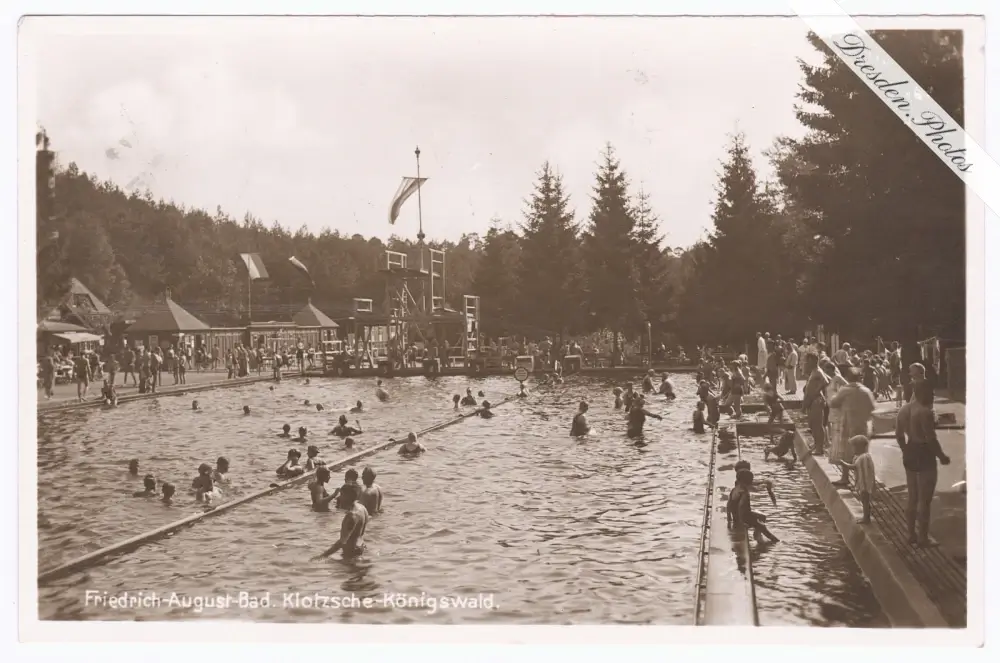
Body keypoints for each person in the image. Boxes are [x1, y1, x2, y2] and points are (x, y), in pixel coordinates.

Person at [896, 382, 951, 545]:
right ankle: (923, 537)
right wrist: (942, 456)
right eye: (931, 393)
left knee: (912, 497)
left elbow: (899, 435)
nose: (932, 396)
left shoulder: (903, 410)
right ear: (922, 393)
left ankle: (910, 534)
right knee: (925, 499)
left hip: (911, 450)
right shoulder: (924, 412)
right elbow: (931, 439)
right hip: (925, 453)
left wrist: (905, 450)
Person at [828, 368, 876, 487]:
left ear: (848, 378)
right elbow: (872, 407)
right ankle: (861, 479)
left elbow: (833, 403)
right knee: (862, 453)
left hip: (848, 425)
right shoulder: (866, 391)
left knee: (847, 452)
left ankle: (845, 478)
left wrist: (832, 393)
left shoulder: (845, 390)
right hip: (863, 425)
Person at [315, 483, 369, 559]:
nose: (338, 497)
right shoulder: (362, 508)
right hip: (361, 547)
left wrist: (322, 556)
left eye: (341, 494)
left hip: (351, 553)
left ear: (347, 497)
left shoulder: (351, 516)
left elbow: (341, 542)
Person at [728, 469, 779, 543]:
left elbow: (729, 504)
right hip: (744, 517)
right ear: (747, 483)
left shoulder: (736, 489)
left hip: (742, 514)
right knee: (762, 527)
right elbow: (741, 507)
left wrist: (729, 518)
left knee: (762, 517)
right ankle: (775, 541)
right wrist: (741, 523)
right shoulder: (744, 492)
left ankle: (757, 535)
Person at [839, 435, 876, 524]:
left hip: (865, 483)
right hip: (865, 482)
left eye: (853, 447)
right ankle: (866, 516)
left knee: (865, 500)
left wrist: (843, 463)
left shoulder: (863, 457)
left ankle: (866, 518)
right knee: (865, 500)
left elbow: (854, 467)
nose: (852, 449)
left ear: (859, 447)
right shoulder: (863, 456)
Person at [802, 354, 830, 455]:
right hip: (811, 401)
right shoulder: (814, 371)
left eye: (808, 361)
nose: (806, 363)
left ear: (813, 361)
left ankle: (819, 449)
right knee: (813, 425)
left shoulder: (818, 371)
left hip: (816, 401)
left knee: (818, 425)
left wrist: (817, 391)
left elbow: (826, 381)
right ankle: (816, 444)